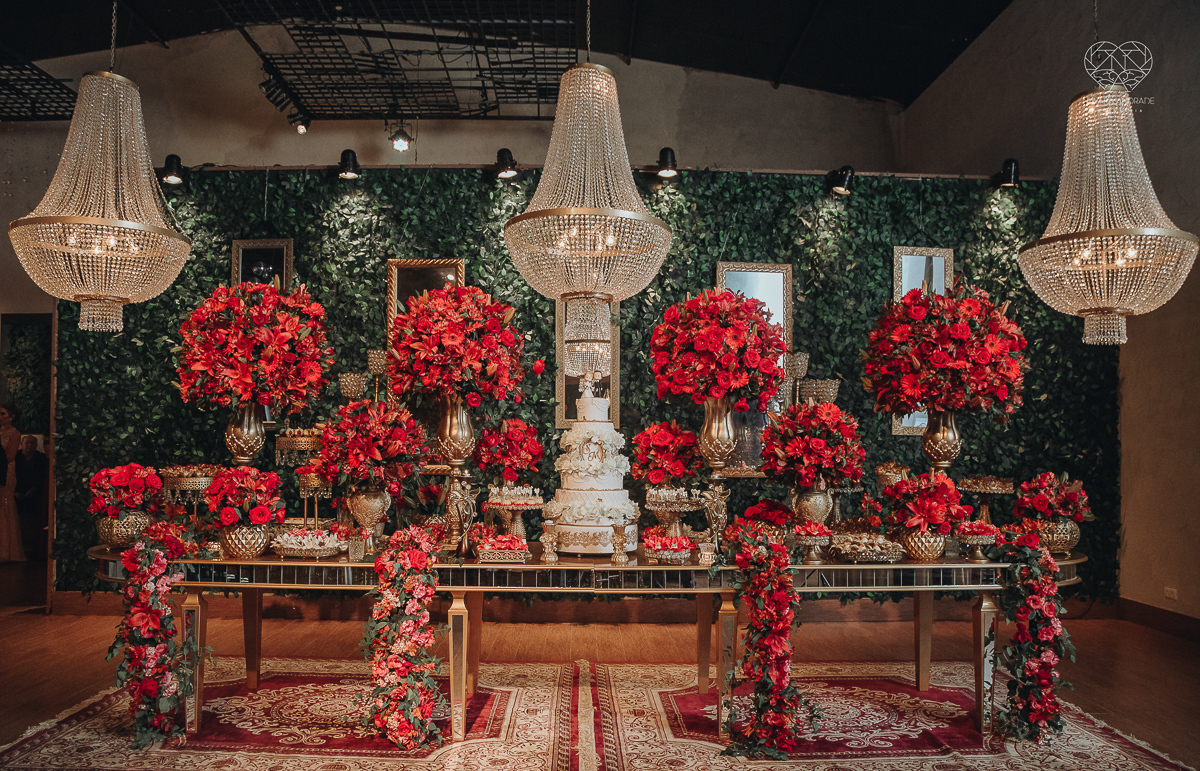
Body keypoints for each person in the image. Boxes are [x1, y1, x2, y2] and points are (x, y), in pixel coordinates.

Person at [15, 434, 47, 559]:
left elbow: (42, 478)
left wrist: (34, 489)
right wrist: (14, 492)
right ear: (21, 444)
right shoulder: (15, 457)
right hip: (16, 492)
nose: (29, 446)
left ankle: (33, 544)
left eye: (32, 443)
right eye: (26, 443)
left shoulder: (41, 458)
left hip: (35, 494)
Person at [0, 403, 24, 561]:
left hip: (6, 470)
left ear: (11, 416)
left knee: (5, 504)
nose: (0, 417)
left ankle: (8, 551)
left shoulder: (15, 433)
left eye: (2, 414)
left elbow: (9, 455)